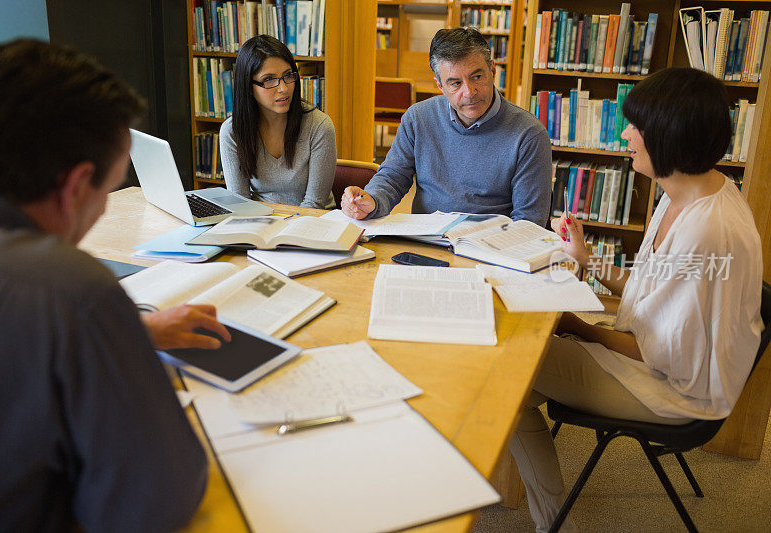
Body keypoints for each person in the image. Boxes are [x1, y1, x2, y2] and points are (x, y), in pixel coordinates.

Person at [0, 39, 229, 531]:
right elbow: (155, 499)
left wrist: (134, 332)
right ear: (74, 187)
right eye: (108, 191)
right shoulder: (69, 290)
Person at [509, 67, 763, 532]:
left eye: (635, 127)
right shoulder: (686, 191)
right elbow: (653, 292)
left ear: (668, 136)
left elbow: (659, 354)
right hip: (659, 361)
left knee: (510, 374)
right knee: (519, 376)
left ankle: (551, 525)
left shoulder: (706, 230)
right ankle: (551, 516)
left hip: (677, 391)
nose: (624, 134)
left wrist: (576, 326)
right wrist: (585, 259)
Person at [341, 27, 552, 225]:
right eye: (455, 83)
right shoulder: (418, 118)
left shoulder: (529, 134)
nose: (469, 92)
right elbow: (393, 177)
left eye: (477, 77)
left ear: (493, 71)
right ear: (440, 85)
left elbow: (529, 221)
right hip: (428, 243)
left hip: (490, 253)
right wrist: (371, 200)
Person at [220, 35, 337, 209]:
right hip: (261, 222)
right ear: (248, 86)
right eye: (269, 79)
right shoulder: (232, 131)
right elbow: (240, 203)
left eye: (288, 76)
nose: (283, 88)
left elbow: (315, 204)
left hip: (312, 223)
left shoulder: (319, 126)